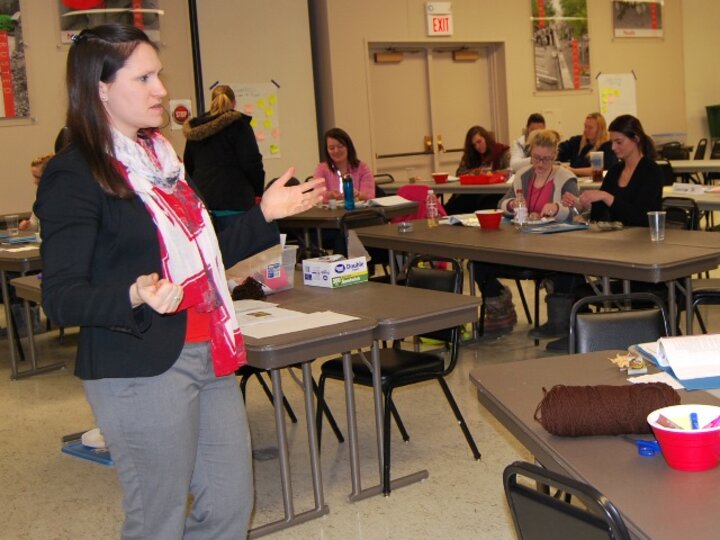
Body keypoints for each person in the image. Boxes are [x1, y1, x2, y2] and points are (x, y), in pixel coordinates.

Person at [34, 24, 325, 539]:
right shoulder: (75, 174)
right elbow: (60, 296)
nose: (161, 90)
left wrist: (266, 214)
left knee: (230, 508)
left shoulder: (162, 164)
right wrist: (133, 293)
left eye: (159, 75)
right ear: (99, 88)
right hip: (138, 367)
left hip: (207, 351)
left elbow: (209, 254)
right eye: (144, 77)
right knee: (158, 521)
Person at [535, 114, 663, 351]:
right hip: (614, 243)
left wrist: (606, 196)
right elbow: (600, 212)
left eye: (618, 142)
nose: (613, 147)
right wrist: (580, 204)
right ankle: (578, 328)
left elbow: (640, 217)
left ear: (635, 140)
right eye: (612, 142)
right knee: (567, 261)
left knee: (574, 270)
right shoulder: (615, 171)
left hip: (641, 248)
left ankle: (581, 329)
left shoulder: (651, 171)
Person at [471, 129, 578, 335]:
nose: (539, 164)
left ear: (555, 156)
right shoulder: (522, 176)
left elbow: (578, 211)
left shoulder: (566, 178)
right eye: (536, 158)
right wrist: (511, 204)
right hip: (521, 245)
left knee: (566, 269)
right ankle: (501, 305)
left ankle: (560, 322)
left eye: (546, 160)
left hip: (553, 248)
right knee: (477, 263)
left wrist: (558, 209)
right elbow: (502, 203)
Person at [183, 84, 265, 232]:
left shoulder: (194, 130)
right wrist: (258, 191)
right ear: (234, 103)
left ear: (212, 102)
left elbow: (188, 167)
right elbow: (252, 163)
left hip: (205, 205)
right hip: (236, 202)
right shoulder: (239, 125)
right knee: (239, 251)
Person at [446, 125, 510, 214]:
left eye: (479, 142)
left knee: (483, 206)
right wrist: (473, 172)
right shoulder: (470, 155)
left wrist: (493, 173)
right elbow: (459, 173)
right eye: (474, 145)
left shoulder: (501, 151)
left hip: (493, 193)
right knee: (452, 207)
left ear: (486, 138)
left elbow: (509, 171)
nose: (477, 147)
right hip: (471, 193)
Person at [314, 127, 375, 203]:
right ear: (327, 151)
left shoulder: (363, 168)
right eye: (332, 148)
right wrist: (330, 195)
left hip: (358, 213)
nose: (336, 151)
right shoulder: (321, 169)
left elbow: (370, 196)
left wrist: (358, 195)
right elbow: (318, 196)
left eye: (340, 146)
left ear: (348, 147)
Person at [557, 112, 617, 178]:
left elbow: (599, 169)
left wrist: (572, 170)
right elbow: (560, 150)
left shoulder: (608, 146)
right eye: (585, 127)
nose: (586, 130)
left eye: (590, 128)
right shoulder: (577, 141)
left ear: (600, 130)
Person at [19, 154, 52, 232]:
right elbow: (36, 224)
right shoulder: (39, 194)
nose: (34, 182)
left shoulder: (63, 195)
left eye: (38, 177)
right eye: (34, 177)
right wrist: (28, 225)